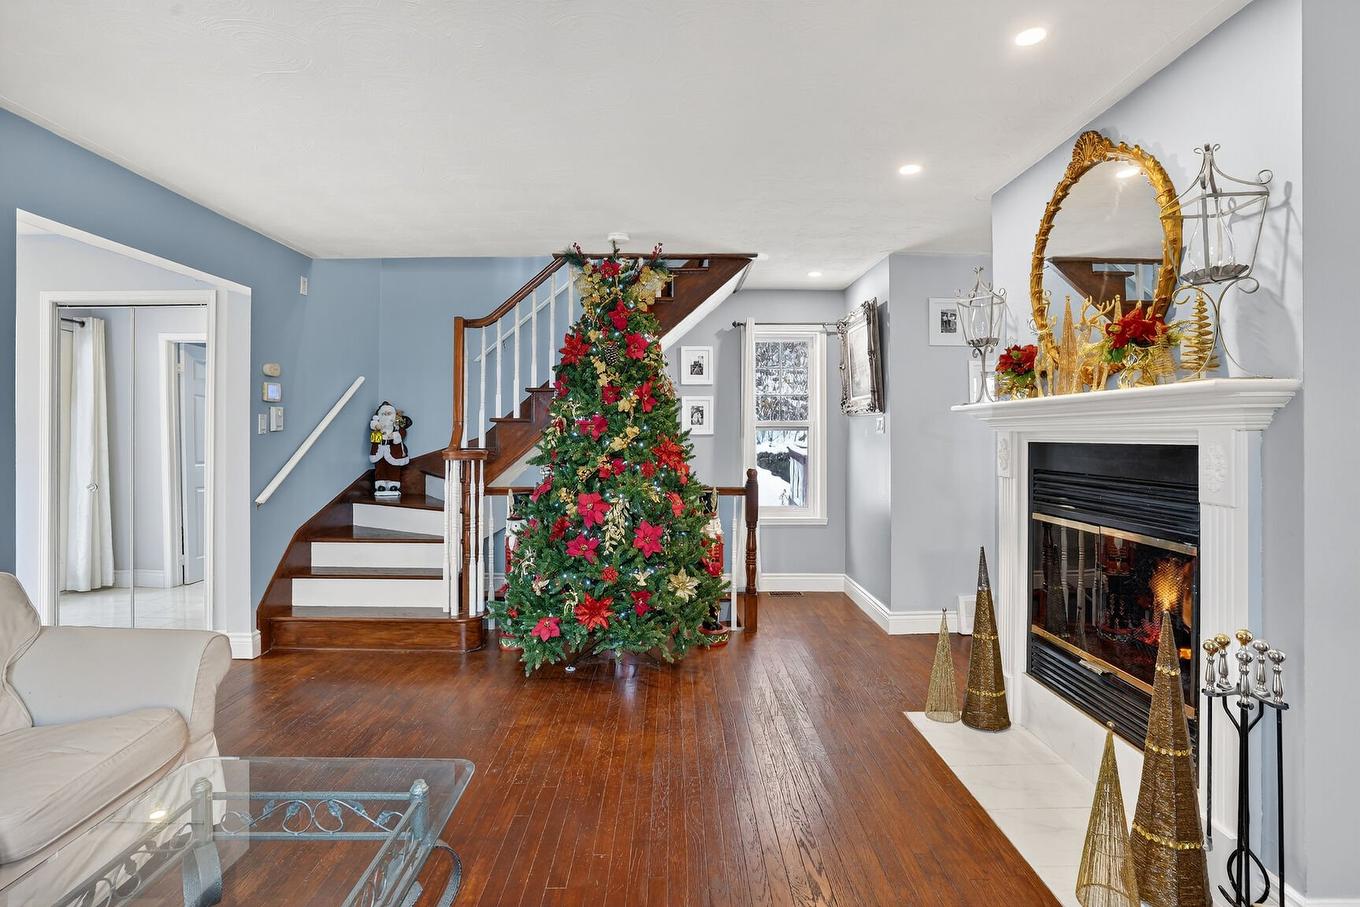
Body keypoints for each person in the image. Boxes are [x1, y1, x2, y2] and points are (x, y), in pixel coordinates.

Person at [369, 402, 412, 497]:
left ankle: (394, 484)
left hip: (394, 451)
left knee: (394, 468)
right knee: (380, 467)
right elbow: (374, 438)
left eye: (389, 414)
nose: (386, 416)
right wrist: (377, 430)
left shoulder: (396, 426)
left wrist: (394, 435)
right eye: (384, 414)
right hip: (379, 451)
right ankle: (380, 484)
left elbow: (402, 432)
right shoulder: (377, 427)